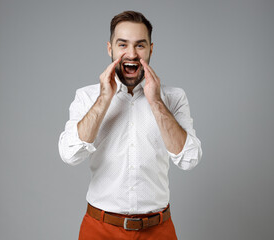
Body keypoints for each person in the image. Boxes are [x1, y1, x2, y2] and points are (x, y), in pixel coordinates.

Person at [58, 10, 202, 240]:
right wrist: (104, 98)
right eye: (123, 44)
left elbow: (189, 159)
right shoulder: (86, 97)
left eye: (140, 45)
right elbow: (69, 154)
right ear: (110, 49)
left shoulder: (173, 98)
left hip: (158, 230)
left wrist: (155, 102)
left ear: (151, 49)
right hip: (100, 229)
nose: (132, 54)